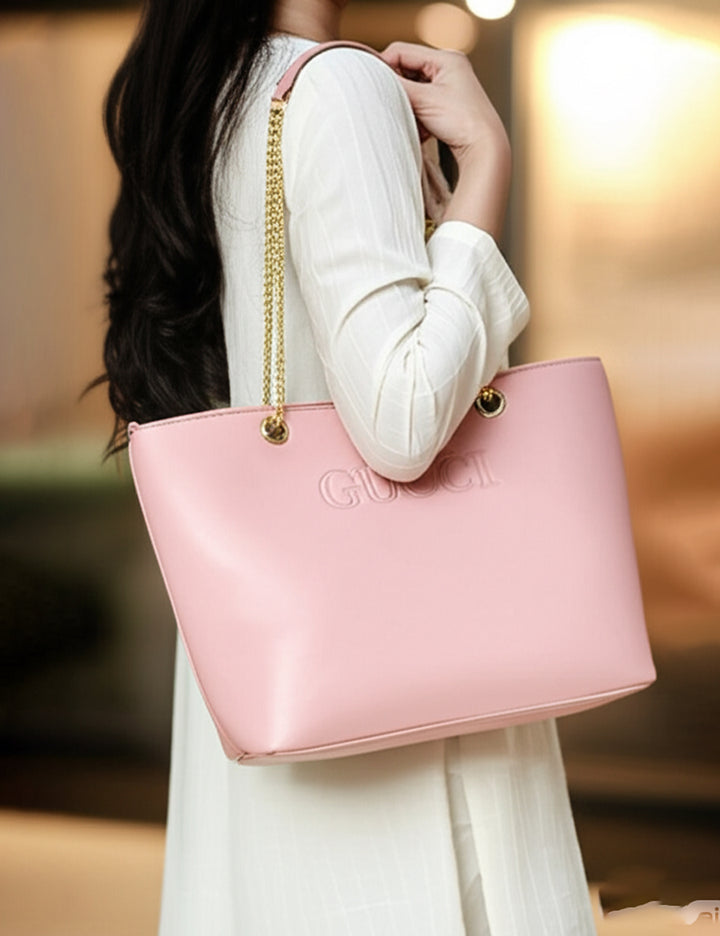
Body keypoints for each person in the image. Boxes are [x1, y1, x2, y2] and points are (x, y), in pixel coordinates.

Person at [93, 0, 599, 932]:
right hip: (406, 717)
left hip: (275, 663)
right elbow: (402, 416)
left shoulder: (209, 92)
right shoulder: (334, 86)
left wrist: (429, 216)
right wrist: (487, 164)